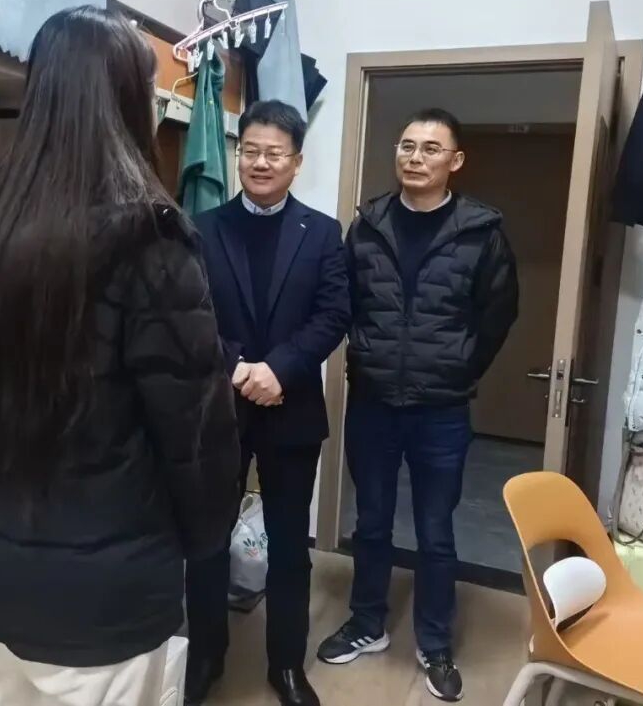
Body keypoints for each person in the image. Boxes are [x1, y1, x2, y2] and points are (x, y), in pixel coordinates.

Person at [0, 6, 241, 706]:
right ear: (127, 101)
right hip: (104, 599)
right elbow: (194, 435)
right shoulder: (150, 245)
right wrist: (203, 543)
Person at [318, 108, 518, 702]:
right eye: (407, 145)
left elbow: (499, 313)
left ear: (455, 161)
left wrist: (460, 367)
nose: (415, 157)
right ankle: (367, 623)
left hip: (441, 410)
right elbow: (344, 304)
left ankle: (434, 643)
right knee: (371, 522)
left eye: (431, 148)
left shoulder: (480, 231)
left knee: (436, 531)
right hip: (374, 402)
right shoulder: (368, 225)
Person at [186, 100, 351, 706]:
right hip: (218, 412)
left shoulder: (323, 232)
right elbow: (189, 311)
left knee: (289, 549)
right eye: (250, 151)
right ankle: (205, 656)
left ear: (296, 162)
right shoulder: (201, 228)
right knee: (207, 542)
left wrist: (280, 368)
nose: (260, 162)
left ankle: (286, 665)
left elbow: (334, 313)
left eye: (274, 153)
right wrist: (236, 367)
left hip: (291, 410)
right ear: (238, 156)